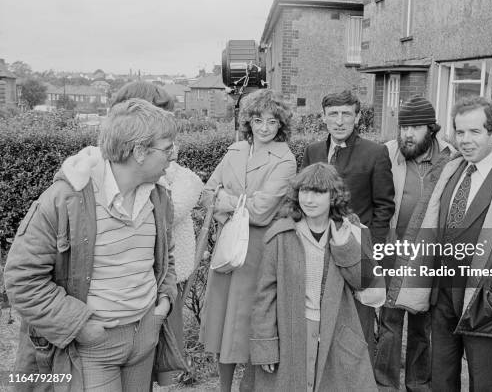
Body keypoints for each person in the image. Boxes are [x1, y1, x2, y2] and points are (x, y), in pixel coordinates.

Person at [4, 99, 179, 391]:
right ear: (138, 151)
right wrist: (81, 327)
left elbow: (165, 258)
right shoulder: (65, 199)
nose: (172, 157)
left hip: (145, 338)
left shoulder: (158, 197)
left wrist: (164, 302)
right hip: (93, 348)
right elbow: (22, 280)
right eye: (167, 148)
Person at [389, 97, 492, 391]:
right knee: (441, 380)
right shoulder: (450, 169)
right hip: (443, 296)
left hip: (484, 301)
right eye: (460, 132)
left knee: (482, 382)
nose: (466, 140)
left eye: (475, 132)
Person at [199, 89, 297, 391]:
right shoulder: (235, 150)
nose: (264, 127)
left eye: (271, 121)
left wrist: (226, 202)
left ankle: (255, 386)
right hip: (228, 247)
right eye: (258, 120)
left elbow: (261, 211)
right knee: (221, 324)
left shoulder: (285, 159)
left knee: (248, 323)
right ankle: (223, 387)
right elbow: (206, 195)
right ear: (248, 122)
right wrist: (231, 205)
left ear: (281, 124)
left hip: (257, 251)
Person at [250, 162, 378, 391]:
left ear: (333, 196)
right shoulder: (280, 235)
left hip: (337, 330)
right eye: (304, 192)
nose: (309, 199)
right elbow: (265, 295)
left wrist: (344, 247)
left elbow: (366, 284)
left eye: (318, 192)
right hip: (293, 329)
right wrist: (265, 345)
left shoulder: (350, 230)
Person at [111, 81, 205, 387]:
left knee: (154, 360)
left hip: (163, 280)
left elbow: (168, 212)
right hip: (123, 288)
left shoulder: (176, 173)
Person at [301, 89, 395, 361]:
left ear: (357, 117)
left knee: (357, 329)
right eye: (333, 114)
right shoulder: (313, 151)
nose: (340, 121)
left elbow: (384, 207)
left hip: (356, 253)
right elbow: (304, 197)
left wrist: (370, 254)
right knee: (319, 324)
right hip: (316, 251)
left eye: (346, 114)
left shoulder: (375, 153)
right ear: (323, 117)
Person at [376, 97, 455, 391]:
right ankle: (384, 383)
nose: (408, 133)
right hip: (392, 250)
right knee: (389, 321)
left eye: (416, 127)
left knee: (423, 324)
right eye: (404, 126)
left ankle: (418, 383)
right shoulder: (386, 153)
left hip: (429, 255)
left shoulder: (451, 157)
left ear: (431, 129)